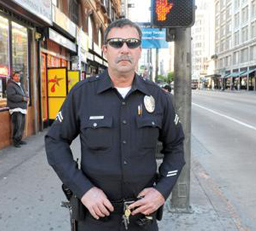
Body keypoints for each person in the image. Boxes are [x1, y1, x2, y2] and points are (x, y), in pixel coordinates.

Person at [45, 18, 185, 231]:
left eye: (132, 43)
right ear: (105, 50)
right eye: (117, 43)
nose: (125, 49)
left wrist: (161, 191)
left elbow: (176, 147)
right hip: (95, 217)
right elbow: (55, 141)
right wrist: (84, 190)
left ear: (140, 50)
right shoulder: (82, 94)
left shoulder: (159, 97)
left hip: (142, 216)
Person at [7, 71, 28, 148]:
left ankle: (19, 139)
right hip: (16, 109)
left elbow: (24, 94)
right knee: (17, 125)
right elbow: (11, 96)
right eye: (16, 76)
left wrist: (26, 97)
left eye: (19, 76)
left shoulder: (21, 85)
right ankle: (15, 141)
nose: (18, 77)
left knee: (22, 125)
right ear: (13, 77)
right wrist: (22, 98)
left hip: (22, 108)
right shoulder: (10, 85)